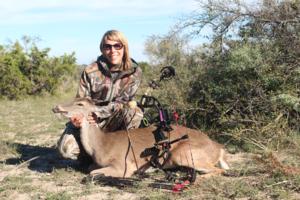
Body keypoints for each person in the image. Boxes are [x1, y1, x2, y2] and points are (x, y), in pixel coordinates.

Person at [57, 30, 143, 163]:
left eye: (117, 46)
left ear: (124, 47)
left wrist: (100, 114)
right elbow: (80, 101)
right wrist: (78, 119)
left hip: (112, 118)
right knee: (66, 151)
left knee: (134, 112)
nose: (112, 50)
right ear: (102, 49)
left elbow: (125, 103)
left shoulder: (135, 72)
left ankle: (126, 152)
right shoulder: (90, 71)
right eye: (107, 46)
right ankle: (90, 156)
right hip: (89, 121)